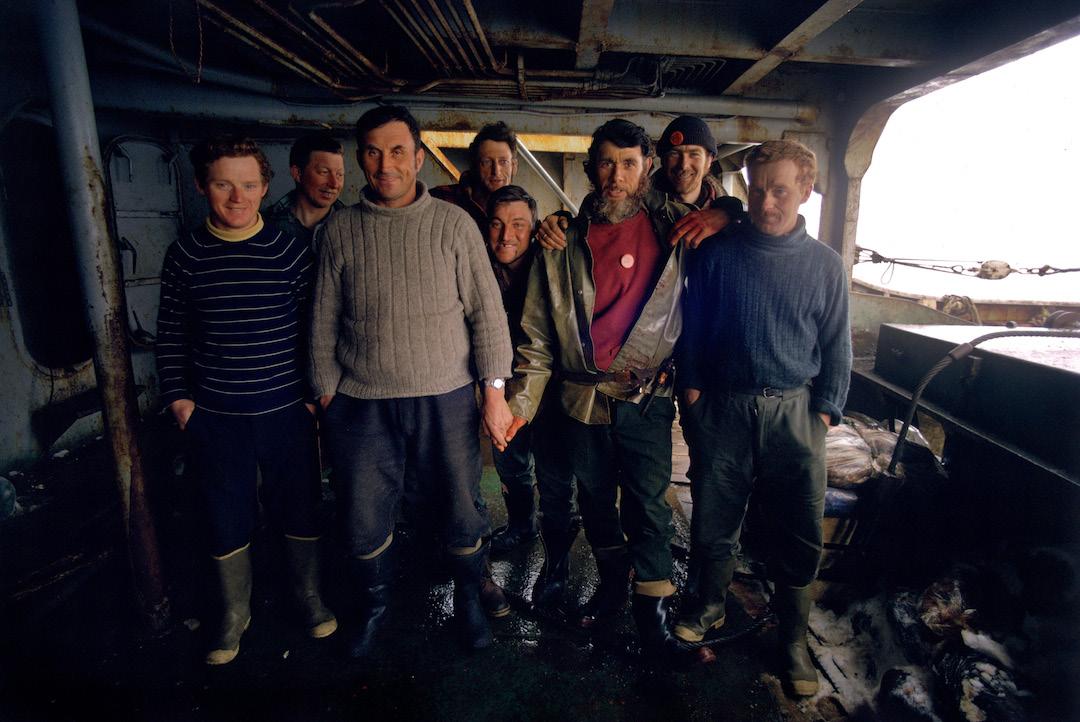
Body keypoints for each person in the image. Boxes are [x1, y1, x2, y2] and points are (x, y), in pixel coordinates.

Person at [308, 105, 513, 657]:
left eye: (398, 151)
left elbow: (488, 316)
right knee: (361, 513)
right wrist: (326, 392)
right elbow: (322, 318)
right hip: (360, 402)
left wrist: (494, 394)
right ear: (360, 159)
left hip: (446, 397)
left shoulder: (454, 225)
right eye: (373, 152)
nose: (386, 165)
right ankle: (374, 607)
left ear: (419, 157)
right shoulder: (340, 229)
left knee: (460, 506)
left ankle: (468, 600)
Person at [503, 119, 691, 657]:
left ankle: (653, 613)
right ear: (590, 168)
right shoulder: (560, 240)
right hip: (580, 397)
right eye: (606, 162)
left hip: (647, 398)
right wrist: (518, 407)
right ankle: (611, 588)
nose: (616, 175)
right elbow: (537, 335)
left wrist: (728, 210)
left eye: (628, 163)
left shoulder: (677, 229)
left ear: (647, 168)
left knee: (649, 504)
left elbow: (728, 218)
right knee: (596, 500)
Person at [673, 139, 851, 696]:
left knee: (800, 528)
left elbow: (837, 346)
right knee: (714, 516)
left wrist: (824, 412)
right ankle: (709, 604)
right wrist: (692, 394)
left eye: (779, 191)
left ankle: (793, 639)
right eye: (756, 190)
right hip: (723, 408)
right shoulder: (717, 254)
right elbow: (692, 329)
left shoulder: (826, 265)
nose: (766, 203)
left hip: (795, 414)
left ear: (805, 191)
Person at [156, 136, 336, 666]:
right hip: (217, 416)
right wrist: (179, 400)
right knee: (222, 513)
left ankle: (308, 595)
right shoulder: (185, 255)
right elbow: (170, 335)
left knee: (299, 506)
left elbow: (313, 330)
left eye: (249, 185)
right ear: (201, 186)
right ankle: (234, 613)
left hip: (285, 413)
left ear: (265, 187)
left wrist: (310, 398)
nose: (238, 197)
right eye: (223, 185)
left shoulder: (288, 250)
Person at [534, 115, 741, 251]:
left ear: (710, 160)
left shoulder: (728, 212)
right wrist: (560, 222)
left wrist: (731, 214)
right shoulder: (633, 205)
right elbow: (592, 217)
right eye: (674, 154)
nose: (683, 165)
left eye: (694, 154)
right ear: (661, 160)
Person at [430, 121, 519, 229]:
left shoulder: (521, 210)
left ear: (514, 167)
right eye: (487, 162)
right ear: (474, 165)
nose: (496, 171)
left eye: (503, 162)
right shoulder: (439, 199)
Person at [265, 131, 346, 249]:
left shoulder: (353, 225)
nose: (334, 184)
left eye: (340, 174)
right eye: (324, 172)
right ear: (297, 173)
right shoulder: (264, 224)